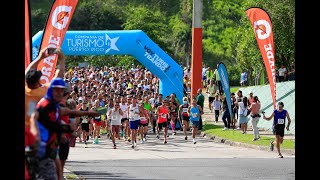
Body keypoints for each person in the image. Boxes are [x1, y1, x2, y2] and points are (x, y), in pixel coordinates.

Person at [30, 78, 99, 179]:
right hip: (41, 150)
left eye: (61, 91)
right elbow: (46, 123)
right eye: (56, 90)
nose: (59, 93)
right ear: (50, 90)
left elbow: (68, 112)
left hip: (49, 148)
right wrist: (67, 129)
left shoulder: (53, 104)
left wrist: (88, 113)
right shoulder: (46, 105)